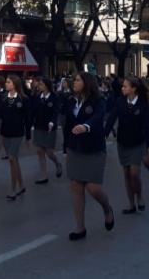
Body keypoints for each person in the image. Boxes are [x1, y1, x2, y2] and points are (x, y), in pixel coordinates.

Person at [65, 72, 113, 241]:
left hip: (94, 149)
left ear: (87, 83)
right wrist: (66, 147)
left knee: (93, 188)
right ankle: (80, 228)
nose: (74, 82)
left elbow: (97, 118)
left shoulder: (98, 101)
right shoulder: (71, 101)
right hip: (75, 149)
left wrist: (85, 126)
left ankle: (107, 208)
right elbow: (67, 124)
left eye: (78, 80)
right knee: (76, 187)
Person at [105, 77, 149, 215]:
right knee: (127, 174)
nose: (122, 88)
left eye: (125, 86)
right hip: (123, 142)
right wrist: (104, 135)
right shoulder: (120, 101)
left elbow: (148, 126)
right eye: (122, 86)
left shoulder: (143, 103)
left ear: (133, 89)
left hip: (137, 142)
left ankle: (139, 196)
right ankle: (131, 204)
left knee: (134, 173)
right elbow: (111, 119)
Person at [0, 75, 30, 200]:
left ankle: (13, 189)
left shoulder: (23, 99)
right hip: (6, 132)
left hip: (17, 133)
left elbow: (27, 119)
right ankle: (22, 185)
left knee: (12, 159)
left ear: (14, 84)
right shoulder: (3, 98)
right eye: (6, 82)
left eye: (8, 82)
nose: (6, 84)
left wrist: (28, 136)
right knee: (14, 160)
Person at [32, 79, 63, 184]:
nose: (39, 86)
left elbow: (55, 112)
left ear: (46, 86)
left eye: (41, 84)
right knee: (40, 151)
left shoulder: (54, 97)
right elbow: (33, 111)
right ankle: (44, 175)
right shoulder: (37, 97)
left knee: (49, 152)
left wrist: (52, 122)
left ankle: (57, 163)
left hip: (49, 128)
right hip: (38, 127)